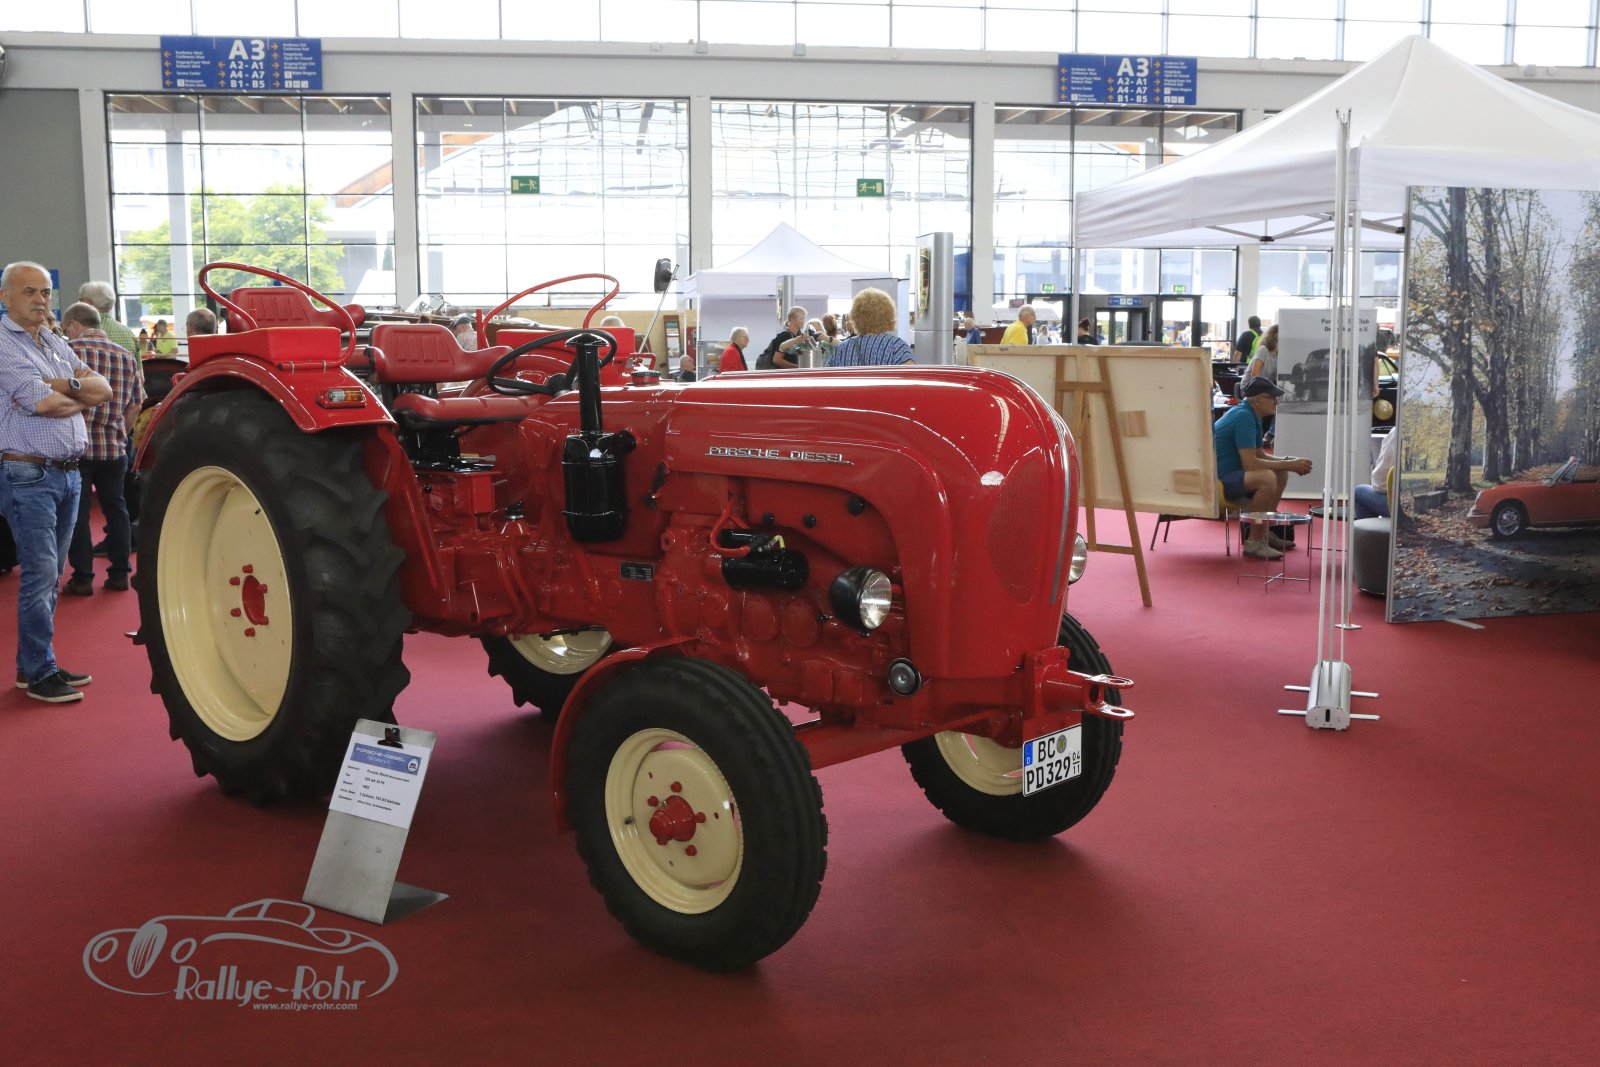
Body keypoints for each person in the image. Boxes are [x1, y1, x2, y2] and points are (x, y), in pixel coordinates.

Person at [0, 261, 115, 703]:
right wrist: (77, 394)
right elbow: (44, 403)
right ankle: (39, 670)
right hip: (27, 473)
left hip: (69, 474)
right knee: (41, 573)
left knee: (51, 574)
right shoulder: (3, 342)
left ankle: (34, 664)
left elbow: (103, 389)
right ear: (5, 297)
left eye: (45, 292)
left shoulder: (51, 340)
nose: (40, 300)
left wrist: (63, 385)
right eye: (29, 291)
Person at [60, 302, 144, 597]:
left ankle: (83, 579)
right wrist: (121, 432)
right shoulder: (125, 356)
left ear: (74, 324)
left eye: (66, 327)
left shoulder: (68, 352)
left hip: (77, 449)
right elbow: (136, 404)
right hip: (113, 448)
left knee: (78, 515)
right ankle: (120, 574)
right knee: (117, 509)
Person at [1212, 376, 1313, 561]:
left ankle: (1263, 533)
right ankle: (1254, 541)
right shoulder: (1243, 416)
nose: (1277, 402)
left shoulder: (1250, 414)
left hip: (1228, 475)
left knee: (1279, 472)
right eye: (1272, 397)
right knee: (1266, 478)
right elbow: (1251, 464)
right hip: (1216, 482)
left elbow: (1260, 455)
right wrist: (1290, 464)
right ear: (1257, 399)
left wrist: (1288, 462)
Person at [827, 288, 914, 367]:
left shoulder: (842, 349)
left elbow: (827, 375)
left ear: (855, 316)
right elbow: (911, 375)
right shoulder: (896, 346)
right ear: (889, 315)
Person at [77, 281, 139, 356]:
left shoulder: (82, 332)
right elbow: (137, 363)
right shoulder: (128, 333)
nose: (78, 304)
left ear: (88, 303)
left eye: (80, 301)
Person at [1355, 428, 1398, 520]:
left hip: (1401, 508)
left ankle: (1380, 529)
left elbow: (1380, 484)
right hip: (1429, 508)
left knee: (1358, 492)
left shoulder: (1397, 432)